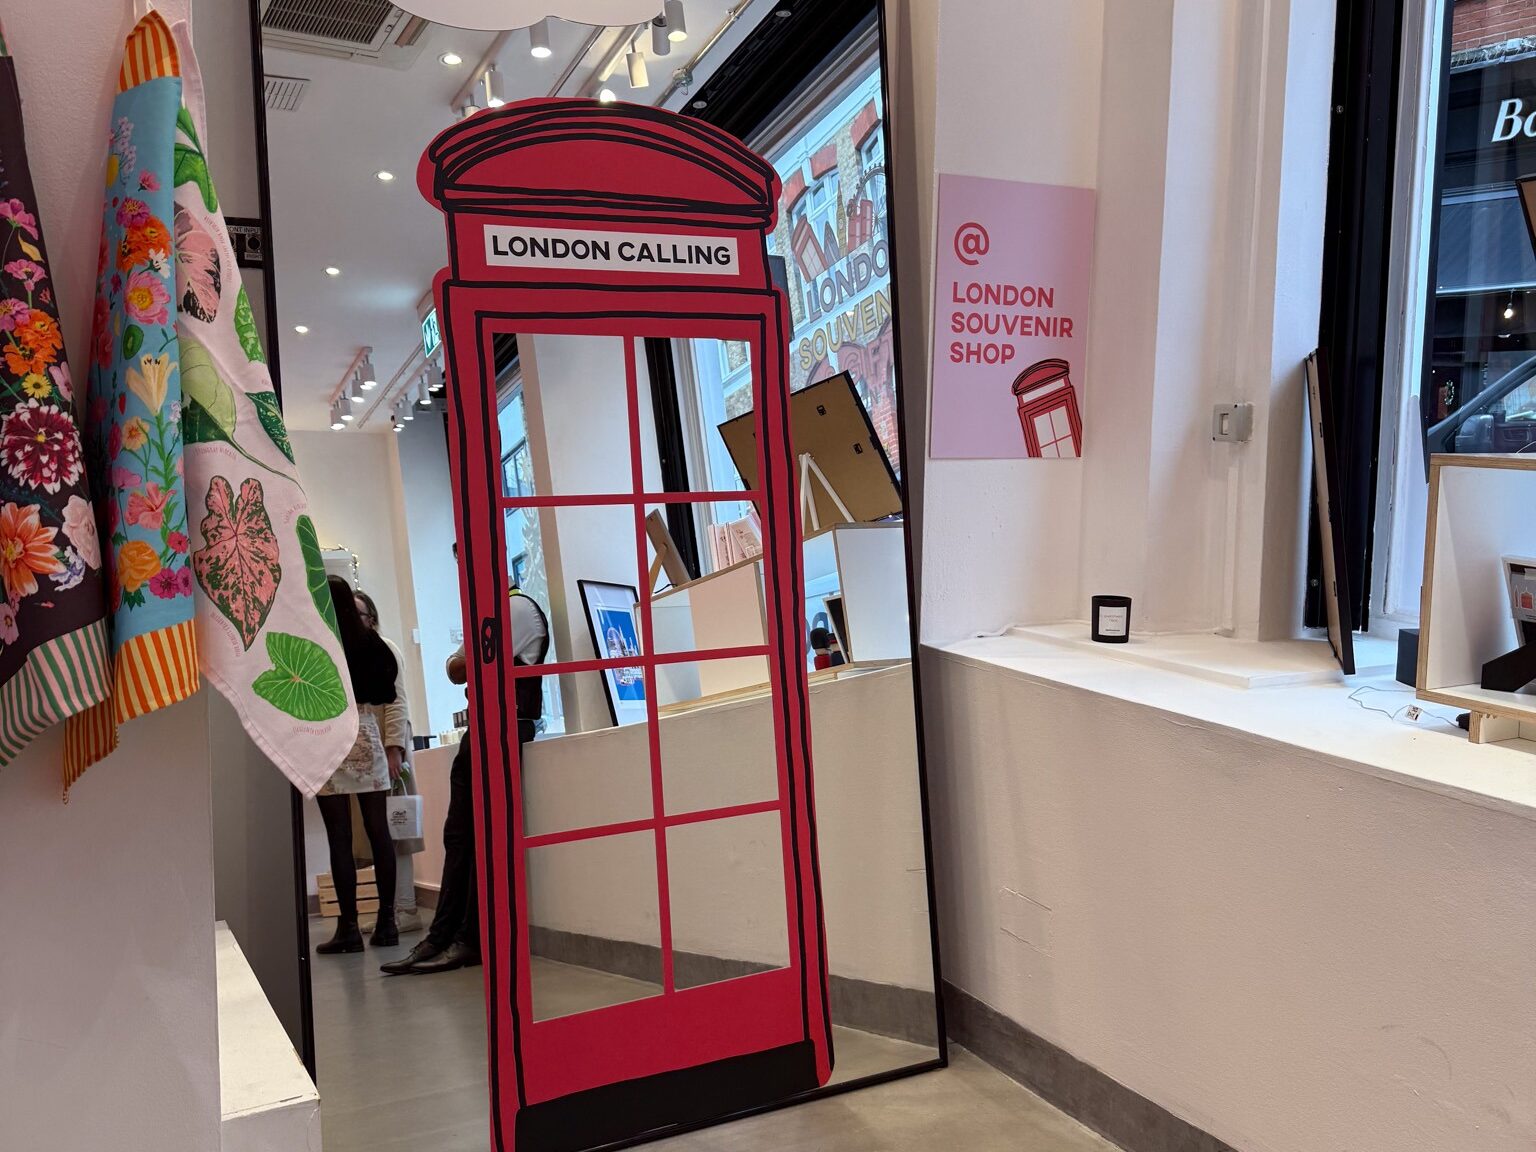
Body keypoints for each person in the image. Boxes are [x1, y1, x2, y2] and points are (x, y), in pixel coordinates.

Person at [383, 546, 548, 976]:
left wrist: (464, 659)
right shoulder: (492, 613)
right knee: (458, 836)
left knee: (481, 838)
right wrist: (464, 659)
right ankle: (442, 935)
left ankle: (469, 938)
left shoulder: (516, 609)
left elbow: (463, 666)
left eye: (469, 566)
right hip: (484, 728)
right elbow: (457, 667)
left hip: (506, 726)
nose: (465, 575)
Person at [316, 576, 404, 955]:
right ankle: (388, 921)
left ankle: (349, 927)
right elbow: (390, 690)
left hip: (328, 734)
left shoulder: (320, 641)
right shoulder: (372, 642)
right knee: (378, 830)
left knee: (339, 837)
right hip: (366, 730)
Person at [354, 588, 424, 936]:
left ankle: (407, 909)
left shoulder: (386, 649)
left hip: (388, 751)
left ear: (373, 618)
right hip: (368, 753)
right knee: (381, 833)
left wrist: (394, 748)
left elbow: (397, 701)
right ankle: (392, 910)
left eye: (360, 615)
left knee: (399, 830)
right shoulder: (355, 653)